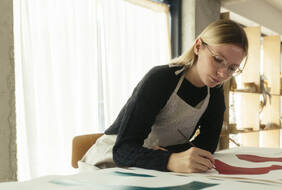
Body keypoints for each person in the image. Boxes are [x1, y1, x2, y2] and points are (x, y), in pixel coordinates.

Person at [79, 19, 248, 173]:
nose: (222, 73)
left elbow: (207, 145)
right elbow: (123, 150)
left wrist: (171, 156)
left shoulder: (215, 90)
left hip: (152, 166)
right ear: (198, 46)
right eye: (218, 59)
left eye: (232, 68)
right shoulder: (160, 79)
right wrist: (171, 159)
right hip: (109, 162)